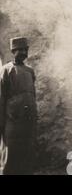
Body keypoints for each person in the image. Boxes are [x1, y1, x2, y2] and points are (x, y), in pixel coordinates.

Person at [0, 37, 37, 174]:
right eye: (20, 50)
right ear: (12, 51)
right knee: (10, 156)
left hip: (27, 122)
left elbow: (31, 95)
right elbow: (1, 98)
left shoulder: (29, 71)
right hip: (12, 123)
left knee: (26, 156)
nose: (23, 52)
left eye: (25, 49)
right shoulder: (6, 70)